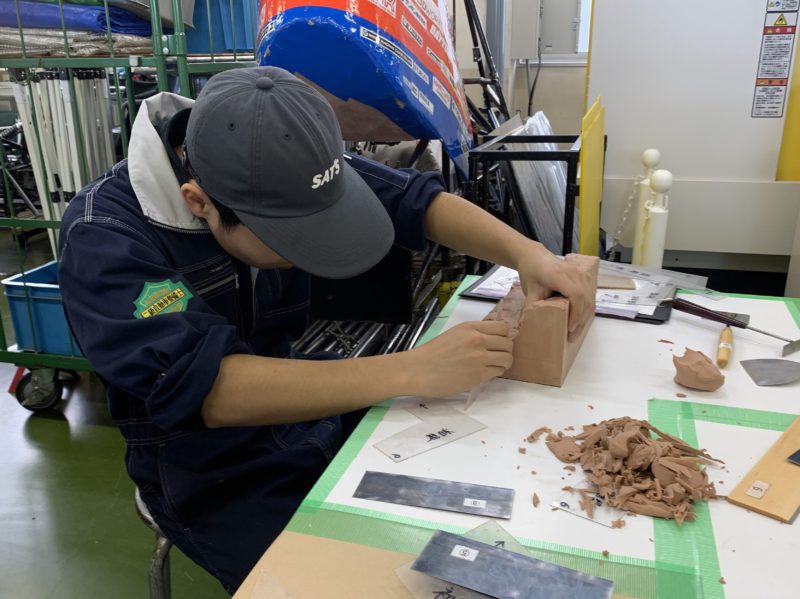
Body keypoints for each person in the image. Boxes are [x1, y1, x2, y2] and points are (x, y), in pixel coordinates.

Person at [58, 67, 593, 592]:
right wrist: (411, 369)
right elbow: (210, 389)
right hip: (203, 463)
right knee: (345, 583)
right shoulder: (105, 236)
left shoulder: (281, 155)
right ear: (199, 202)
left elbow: (417, 202)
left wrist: (529, 253)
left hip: (299, 401)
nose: (313, 248)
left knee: (475, 480)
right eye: (290, 237)